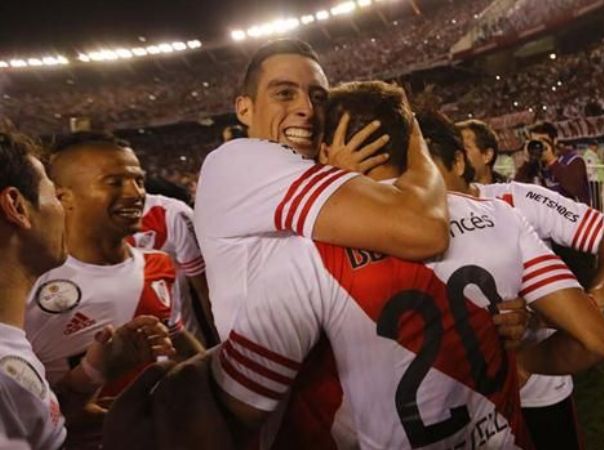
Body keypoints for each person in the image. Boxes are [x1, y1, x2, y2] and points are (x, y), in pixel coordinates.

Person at [110, 81, 604, 450]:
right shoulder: (501, 218)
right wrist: (523, 361)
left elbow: (243, 406)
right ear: (411, 143)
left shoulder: (304, 252)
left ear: (326, 152)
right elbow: (598, 341)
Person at [194, 39, 450, 339]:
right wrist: (417, 149)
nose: (307, 108)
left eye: (318, 97)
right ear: (244, 109)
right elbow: (424, 229)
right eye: (284, 93)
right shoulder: (239, 163)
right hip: (281, 380)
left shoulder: (301, 173)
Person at [423, 111, 604, 450]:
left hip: (537, 390)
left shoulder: (516, 199)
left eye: (464, 145)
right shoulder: (410, 225)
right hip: (458, 403)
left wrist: (587, 304)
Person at [0, 123, 174, 449]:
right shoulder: (7, 374)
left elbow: (41, 423)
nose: (136, 193)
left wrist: (91, 374)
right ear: (18, 206)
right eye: (51, 194)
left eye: (139, 180)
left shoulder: (158, 265)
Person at [515, 121, 597, 289]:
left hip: (575, 233)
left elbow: (573, 187)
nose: (540, 146)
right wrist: (527, 162)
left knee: (582, 285)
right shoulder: (534, 165)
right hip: (550, 236)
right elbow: (516, 187)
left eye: (544, 141)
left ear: (555, 140)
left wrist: (552, 160)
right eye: (535, 142)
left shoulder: (573, 160)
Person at [130, 192, 218, 345]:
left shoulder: (172, 213)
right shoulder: (85, 227)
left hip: (184, 341)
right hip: (131, 351)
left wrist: (221, 345)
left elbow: (207, 290)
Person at [455, 119, 508, 184]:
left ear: (487, 155)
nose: (456, 158)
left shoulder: (514, 191)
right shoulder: (443, 192)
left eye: (464, 150)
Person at [582, 141, 604, 211]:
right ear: (592, 146)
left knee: (597, 198)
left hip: (596, 179)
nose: (597, 148)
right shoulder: (590, 155)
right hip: (593, 180)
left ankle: (598, 211)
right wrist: (589, 176)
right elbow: (590, 168)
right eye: (596, 146)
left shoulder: (592, 154)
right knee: (596, 198)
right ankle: (598, 212)